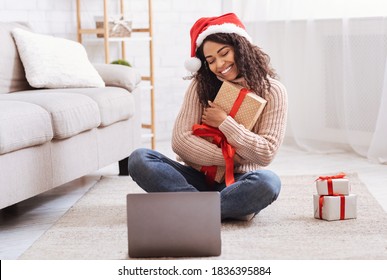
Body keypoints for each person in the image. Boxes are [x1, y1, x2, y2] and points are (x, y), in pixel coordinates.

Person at [128, 13, 287, 221]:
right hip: (195, 177)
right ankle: (222, 208)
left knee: (268, 183)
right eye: (211, 60)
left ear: (241, 47)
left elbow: (266, 153)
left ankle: (188, 206)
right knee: (139, 159)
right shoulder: (201, 85)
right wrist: (230, 157)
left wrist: (224, 122)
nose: (219, 64)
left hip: (239, 179)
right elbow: (180, 140)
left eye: (224, 53)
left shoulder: (273, 90)